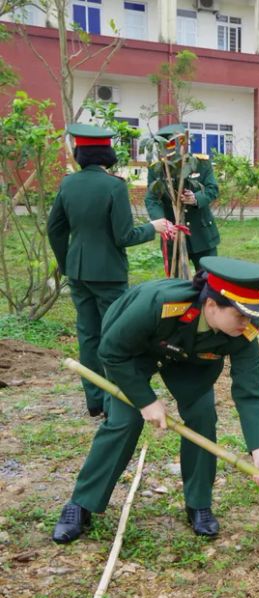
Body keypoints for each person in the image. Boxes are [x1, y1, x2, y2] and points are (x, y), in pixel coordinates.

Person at [51, 257, 259, 542]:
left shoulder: (242, 331)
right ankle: (82, 504)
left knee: (202, 416)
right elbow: (112, 350)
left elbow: (250, 390)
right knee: (124, 421)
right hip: (133, 352)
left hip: (191, 362)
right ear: (212, 306)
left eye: (251, 316)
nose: (247, 322)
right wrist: (146, 401)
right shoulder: (158, 303)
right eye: (241, 315)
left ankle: (199, 503)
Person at [47, 123, 168, 418]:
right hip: (109, 275)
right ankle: (117, 395)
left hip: (78, 271)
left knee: (88, 335)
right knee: (115, 334)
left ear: (79, 153)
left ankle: (94, 400)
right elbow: (124, 236)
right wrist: (153, 227)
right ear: (108, 154)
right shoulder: (114, 186)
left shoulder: (68, 184)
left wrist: (66, 264)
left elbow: (55, 229)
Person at [145, 123, 221, 271]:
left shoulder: (201, 163)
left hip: (202, 234)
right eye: (167, 145)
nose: (172, 149)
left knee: (208, 279)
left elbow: (212, 188)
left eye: (175, 143)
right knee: (176, 281)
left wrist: (196, 198)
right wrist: (161, 222)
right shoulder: (157, 169)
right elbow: (152, 199)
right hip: (174, 234)